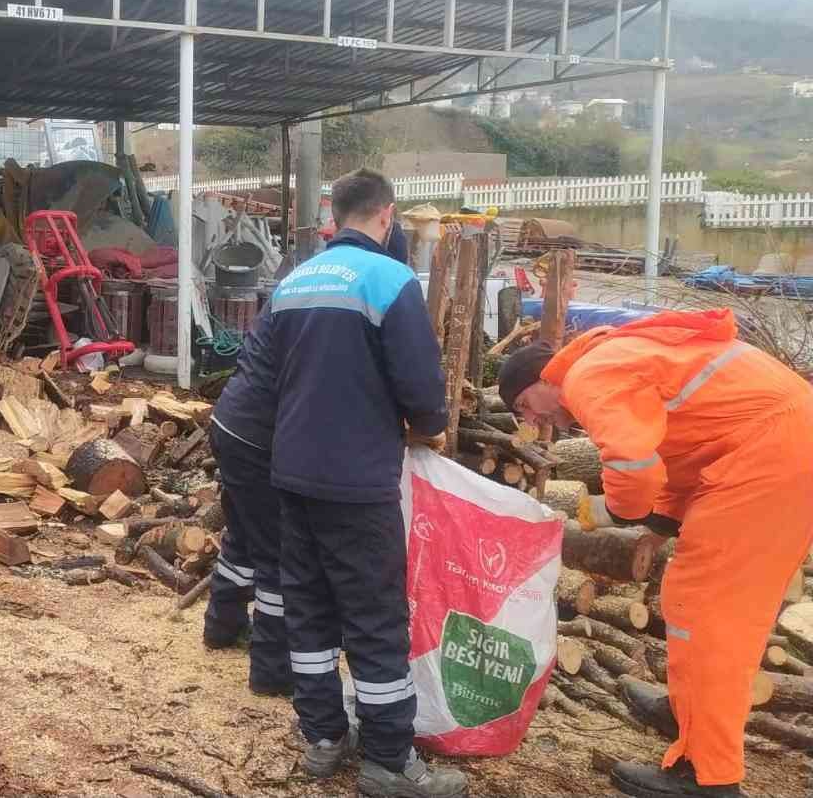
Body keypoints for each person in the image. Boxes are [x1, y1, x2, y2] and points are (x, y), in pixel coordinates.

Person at [498, 309, 813, 798]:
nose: (533, 420)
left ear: (544, 377)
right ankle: (689, 714)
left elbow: (636, 468)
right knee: (696, 606)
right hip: (766, 450)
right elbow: (681, 450)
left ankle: (708, 777)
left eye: (525, 404)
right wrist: (660, 526)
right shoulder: (615, 357)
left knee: (710, 614)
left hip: (766, 461)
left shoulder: (587, 375)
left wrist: (622, 511)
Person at [264, 169, 466, 798]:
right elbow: (422, 388)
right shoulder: (390, 279)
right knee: (376, 620)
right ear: (388, 215)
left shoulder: (292, 282)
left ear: (335, 214)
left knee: (310, 611)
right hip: (357, 484)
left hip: (293, 474)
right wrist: (428, 427)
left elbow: (269, 376)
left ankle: (323, 738)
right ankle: (386, 760)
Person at [205, 216, 411, 697]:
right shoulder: (362, 296)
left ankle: (221, 624)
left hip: (232, 420)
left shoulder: (309, 281)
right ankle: (271, 671)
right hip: (258, 435)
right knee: (277, 554)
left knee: (246, 536)